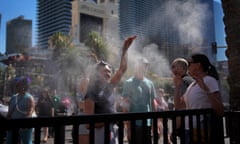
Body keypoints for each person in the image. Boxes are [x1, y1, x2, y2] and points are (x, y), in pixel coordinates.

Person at [81, 35, 136, 144]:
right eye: (105, 71)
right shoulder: (91, 92)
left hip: (112, 130)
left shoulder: (109, 86)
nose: (108, 73)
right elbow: (88, 124)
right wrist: (109, 120)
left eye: (109, 71)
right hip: (99, 134)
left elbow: (122, 69)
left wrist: (125, 49)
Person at [174, 53, 224, 144]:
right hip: (188, 129)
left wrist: (206, 89)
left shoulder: (209, 80)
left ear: (198, 65)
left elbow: (220, 110)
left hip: (201, 129)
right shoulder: (193, 84)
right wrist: (177, 88)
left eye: (189, 64)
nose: (187, 67)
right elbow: (178, 106)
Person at [121, 57, 157, 144]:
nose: (143, 68)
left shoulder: (150, 83)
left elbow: (153, 104)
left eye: (145, 66)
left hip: (147, 123)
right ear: (136, 67)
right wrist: (128, 129)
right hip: (134, 124)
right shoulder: (128, 83)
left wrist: (154, 125)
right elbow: (125, 107)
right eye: (140, 65)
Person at [6, 76, 35, 144]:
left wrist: (24, 125)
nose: (16, 86)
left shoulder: (29, 98)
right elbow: (9, 112)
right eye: (16, 85)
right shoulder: (13, 97)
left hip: (24, 128)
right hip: (12, 126)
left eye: (18, 85)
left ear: (23, 86)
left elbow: (30, 113)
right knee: (9, 142)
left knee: (27, 142)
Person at [171, 57, 193, 139]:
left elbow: (180, 107)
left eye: (174, 66)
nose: (172, 69)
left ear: (181, 68)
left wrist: (176, 129)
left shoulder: (182, 81)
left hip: (186, 125)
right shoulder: (192, 80)